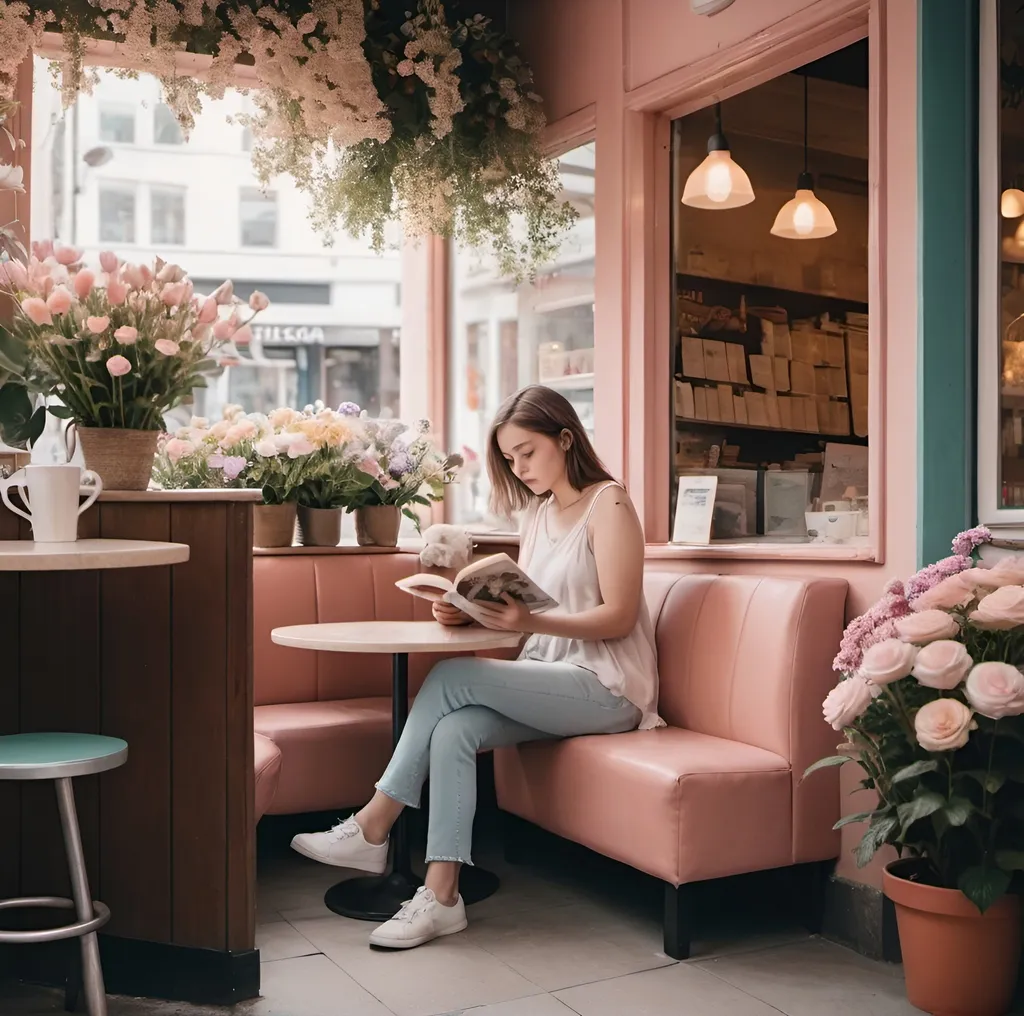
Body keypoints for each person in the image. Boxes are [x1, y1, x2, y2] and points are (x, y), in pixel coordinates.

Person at [290, 385, 664, 949]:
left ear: (565, 438)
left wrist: (526, 624)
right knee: (456, 729)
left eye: (528, 452)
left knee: (449, 677)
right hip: (551, 677)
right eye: (510, 459)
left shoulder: (608, 503)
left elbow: (617, 617)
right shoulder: (539, 512)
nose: (521, 468)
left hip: (608, 688)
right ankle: (442, 898)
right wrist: (468, 612)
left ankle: (373, 823)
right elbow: (533, 604)